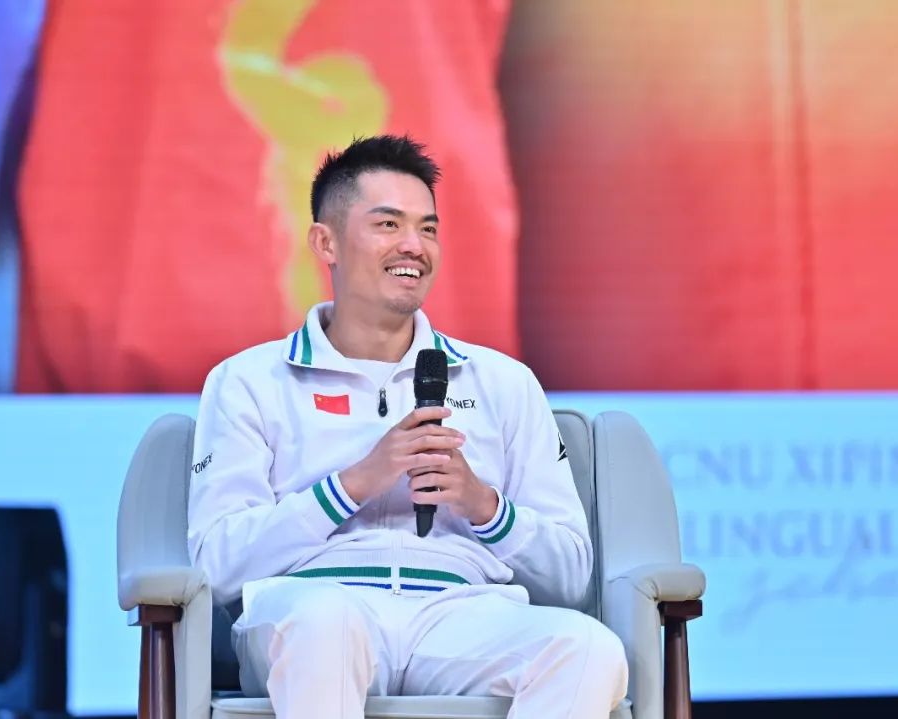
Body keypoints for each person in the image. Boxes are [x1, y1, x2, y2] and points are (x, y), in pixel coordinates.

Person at [187, 135, 628, 718]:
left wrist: (484, 505)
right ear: (326, 242)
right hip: (311, 604)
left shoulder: (503, 381)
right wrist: (352, 485)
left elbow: (570, 575)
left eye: (428, 229)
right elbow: (216, 565)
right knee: (325, 621)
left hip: (461, 614)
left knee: (589, 649)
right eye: (388, 224)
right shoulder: (249, 380)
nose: (414, 247)